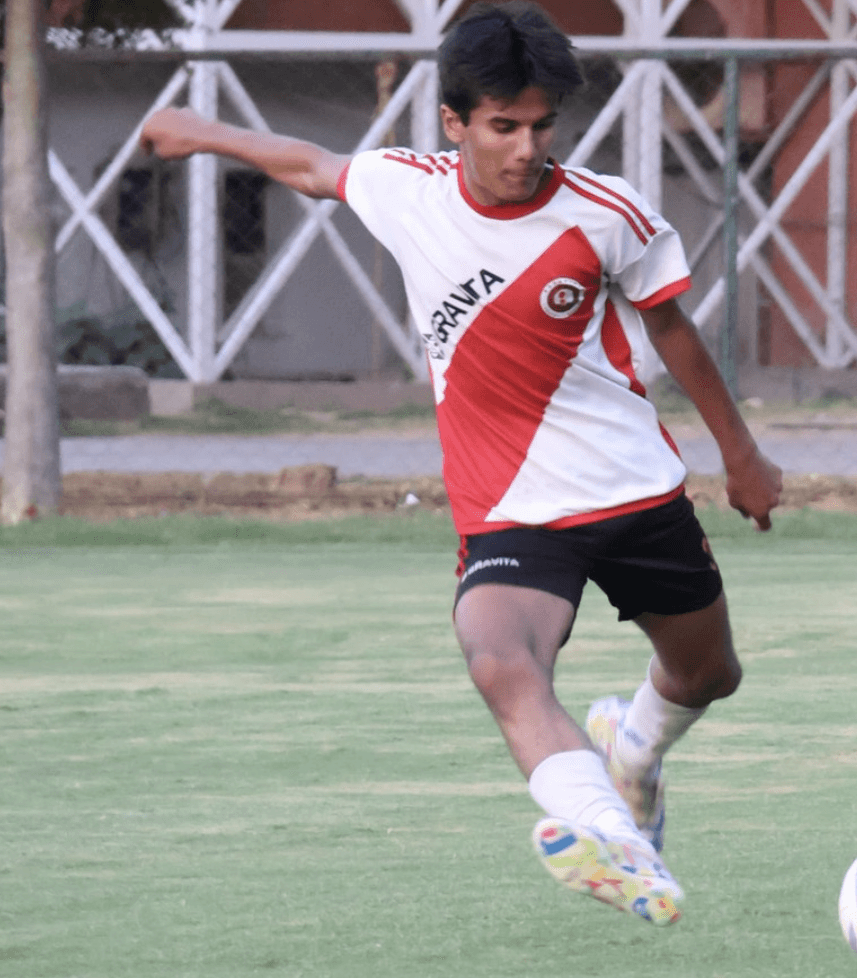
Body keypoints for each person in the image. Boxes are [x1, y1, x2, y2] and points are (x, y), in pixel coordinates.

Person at [140, 0, 781, 927]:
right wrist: (198, 131)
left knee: (708, 674)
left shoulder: (606, 215)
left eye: (542, 125)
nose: (527, 147)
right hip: (511, 509)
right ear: (456, 122)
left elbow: (673, 331)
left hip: (634, 492)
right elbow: (307, 165)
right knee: (499, 660)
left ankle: (631, 750)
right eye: (503, 125)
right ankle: (614, 837)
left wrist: (743, 454)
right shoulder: (410, 189)